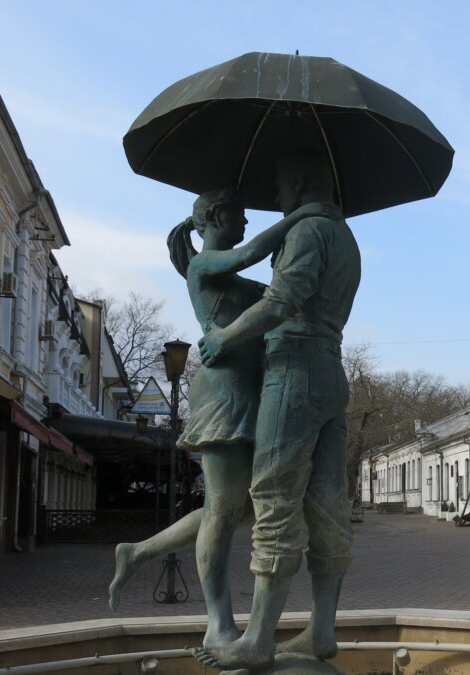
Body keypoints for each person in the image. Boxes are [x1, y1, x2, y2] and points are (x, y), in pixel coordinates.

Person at [107, 189, 329, 648]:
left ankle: (137, 551)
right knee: (225, 511)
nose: (245, 222)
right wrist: (303, 214)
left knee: (236, 508)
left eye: (247, 216)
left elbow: (278, 301)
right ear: (211, 218)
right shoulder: (202, 265)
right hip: (224, 391)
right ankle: (219, 624)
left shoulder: (224, 271)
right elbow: (251, 252)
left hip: (256, 388)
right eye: (238, 215)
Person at [194, 150, 360, 672]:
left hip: (293, 368)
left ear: (302, 178)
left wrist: (226, 334)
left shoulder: (308, 231)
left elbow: (281, 302)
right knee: (327, 499)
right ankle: (321, 629)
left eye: (282, 184)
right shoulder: (346, 237)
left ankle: (259, 638)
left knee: (273, 494)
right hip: (333, 371)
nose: (277, 197)